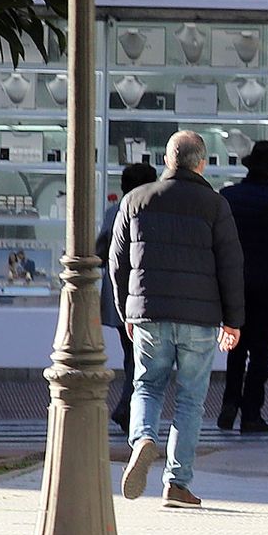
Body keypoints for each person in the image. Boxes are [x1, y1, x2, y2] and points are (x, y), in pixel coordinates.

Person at [111, 130, 245, 509]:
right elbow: (231, 264)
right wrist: (233, 321)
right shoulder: (215, 205)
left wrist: (127, 312)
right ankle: (177, 483)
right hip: (201, 320)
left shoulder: (135, 200)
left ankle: (142, 439)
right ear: (200, 163)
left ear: (167, 160)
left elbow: (117, 261)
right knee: (190, 399)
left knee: (147, 386)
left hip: (149, 313)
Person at [217, 140, 268, 434]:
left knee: (235, 347)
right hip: (267, 288)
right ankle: (251, 413)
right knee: (260, 352)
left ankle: (229, 404)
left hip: (233, 285)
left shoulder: (228, 197)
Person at [95, 162, 158, 432]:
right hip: (145, 296)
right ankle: (128, 409)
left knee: (131, 353)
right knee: (142, 357)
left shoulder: (113, 212)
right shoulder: (154, 211)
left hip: (119, 297)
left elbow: (99, 250)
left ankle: (130, 408)